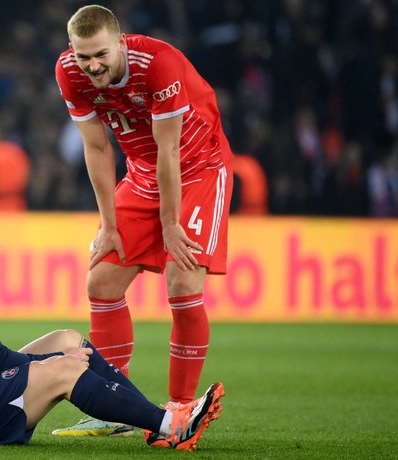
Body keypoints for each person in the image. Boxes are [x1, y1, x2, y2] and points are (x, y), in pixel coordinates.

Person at [0, 187, 224, 450]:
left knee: (67, 338)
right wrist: (57, 361)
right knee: (66, 367)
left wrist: (60, 354)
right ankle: (172, 425)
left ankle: (156, 423)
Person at [54, 5, 233, 437]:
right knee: (102, 282)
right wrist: (108, 224)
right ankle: (115, 409)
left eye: (100, 54)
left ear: (120, 42)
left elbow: (169, 150)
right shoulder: (68, 72)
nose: (92, 65)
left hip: (199, 169)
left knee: (182, 282)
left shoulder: (159, 64)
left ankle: (180, 411)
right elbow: (97, 149)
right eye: (83, 56)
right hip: (142, 174)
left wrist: (171, 224)